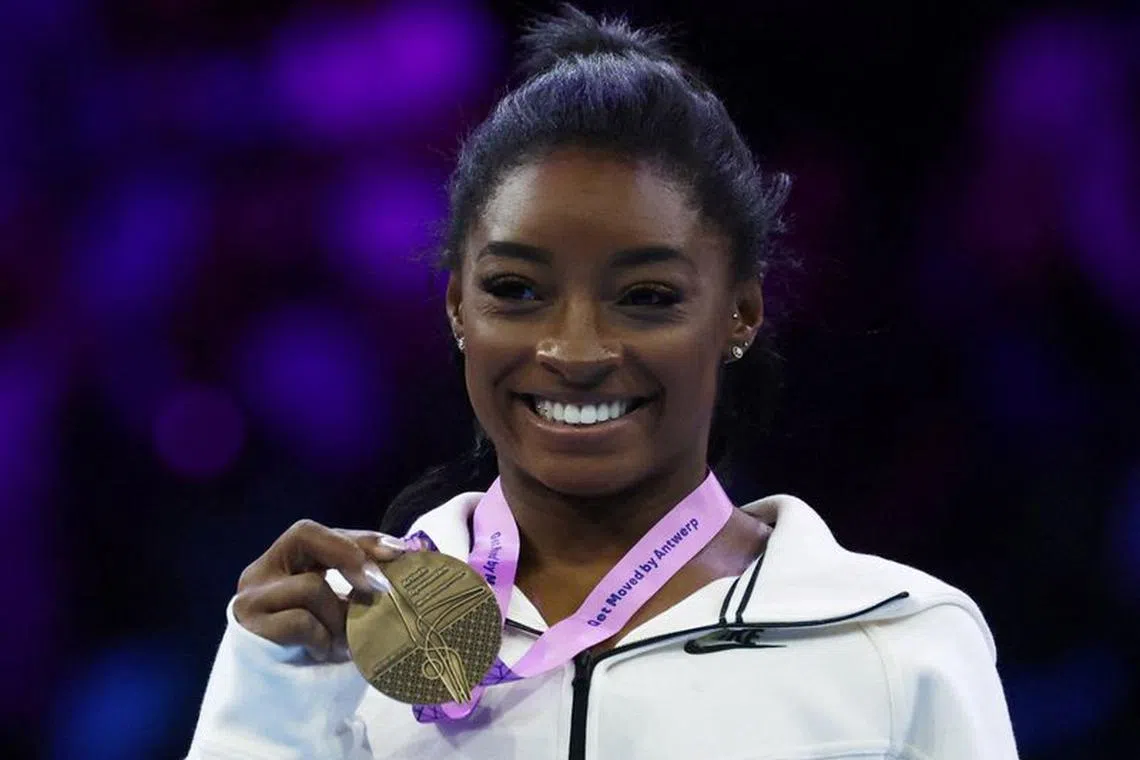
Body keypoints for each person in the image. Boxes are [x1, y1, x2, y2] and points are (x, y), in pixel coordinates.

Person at [187, 6, 1019, 759]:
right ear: (456, 308)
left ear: (740, 313)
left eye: (646, 297)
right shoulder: (326, 642)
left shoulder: (899, 644)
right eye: (516, 290)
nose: (575, 349)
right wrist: (278, 693)